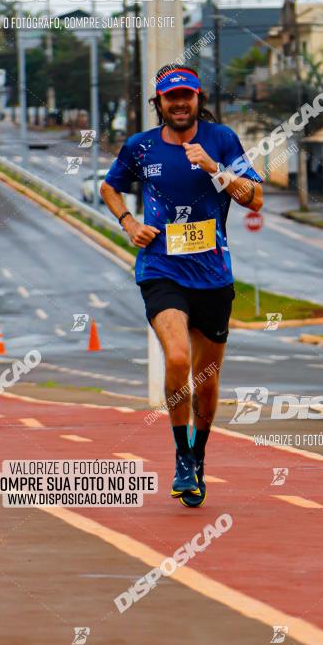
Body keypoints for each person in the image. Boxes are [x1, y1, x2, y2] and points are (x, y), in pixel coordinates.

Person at [101, 65, 263, 507]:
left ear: (197, 99)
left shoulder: (221, 140)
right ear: (158, 103)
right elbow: (109, 186)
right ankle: (181, 459)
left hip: (213, 274)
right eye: (170, 97)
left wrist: (216, 170)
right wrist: (129, 222)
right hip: (161, 269)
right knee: (176, 356)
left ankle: (199, 455)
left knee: (206, 382)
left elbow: (255, 197)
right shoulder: (141, 146)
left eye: (186, 96)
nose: (178, 103)